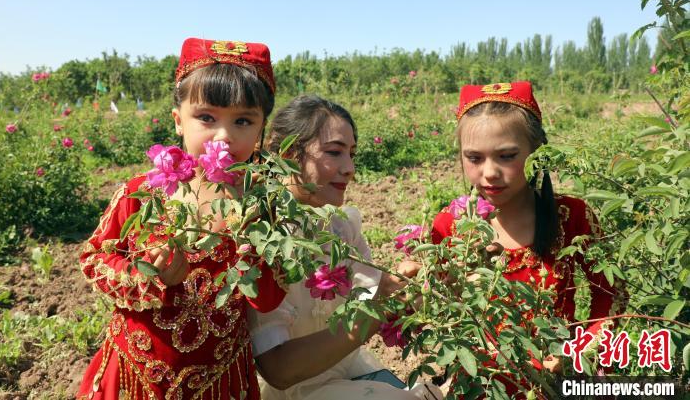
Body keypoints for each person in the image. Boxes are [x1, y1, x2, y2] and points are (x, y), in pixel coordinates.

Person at [77, 38, 287, 400]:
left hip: (219, 381)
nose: (223, 135)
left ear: (260, 131)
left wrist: (253, 247)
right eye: (206, 117)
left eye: (243, 121)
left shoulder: (262, 203)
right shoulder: (142, 194)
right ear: (178, 121)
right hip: (136, 375)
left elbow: (268, 300)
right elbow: (94, 258)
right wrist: (151, 276)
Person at [431, 82, 626, 396]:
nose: (490, 172)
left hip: (554, 384)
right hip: (481, 384)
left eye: (507, 156)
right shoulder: (448, 226)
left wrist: (579, 350)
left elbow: (613, 294)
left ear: (538, 154)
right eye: (474, 158)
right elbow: (439, 307)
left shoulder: (572, 216)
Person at [248, 95, 442, 400]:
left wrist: (404, 285)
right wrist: (380, 309)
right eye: (334, 153)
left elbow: (372, 295)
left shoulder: (340, 225)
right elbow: (280, 371)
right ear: (287, 154)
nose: (349, 168)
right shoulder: (264, 239)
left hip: (343, 371)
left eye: (351, 154)